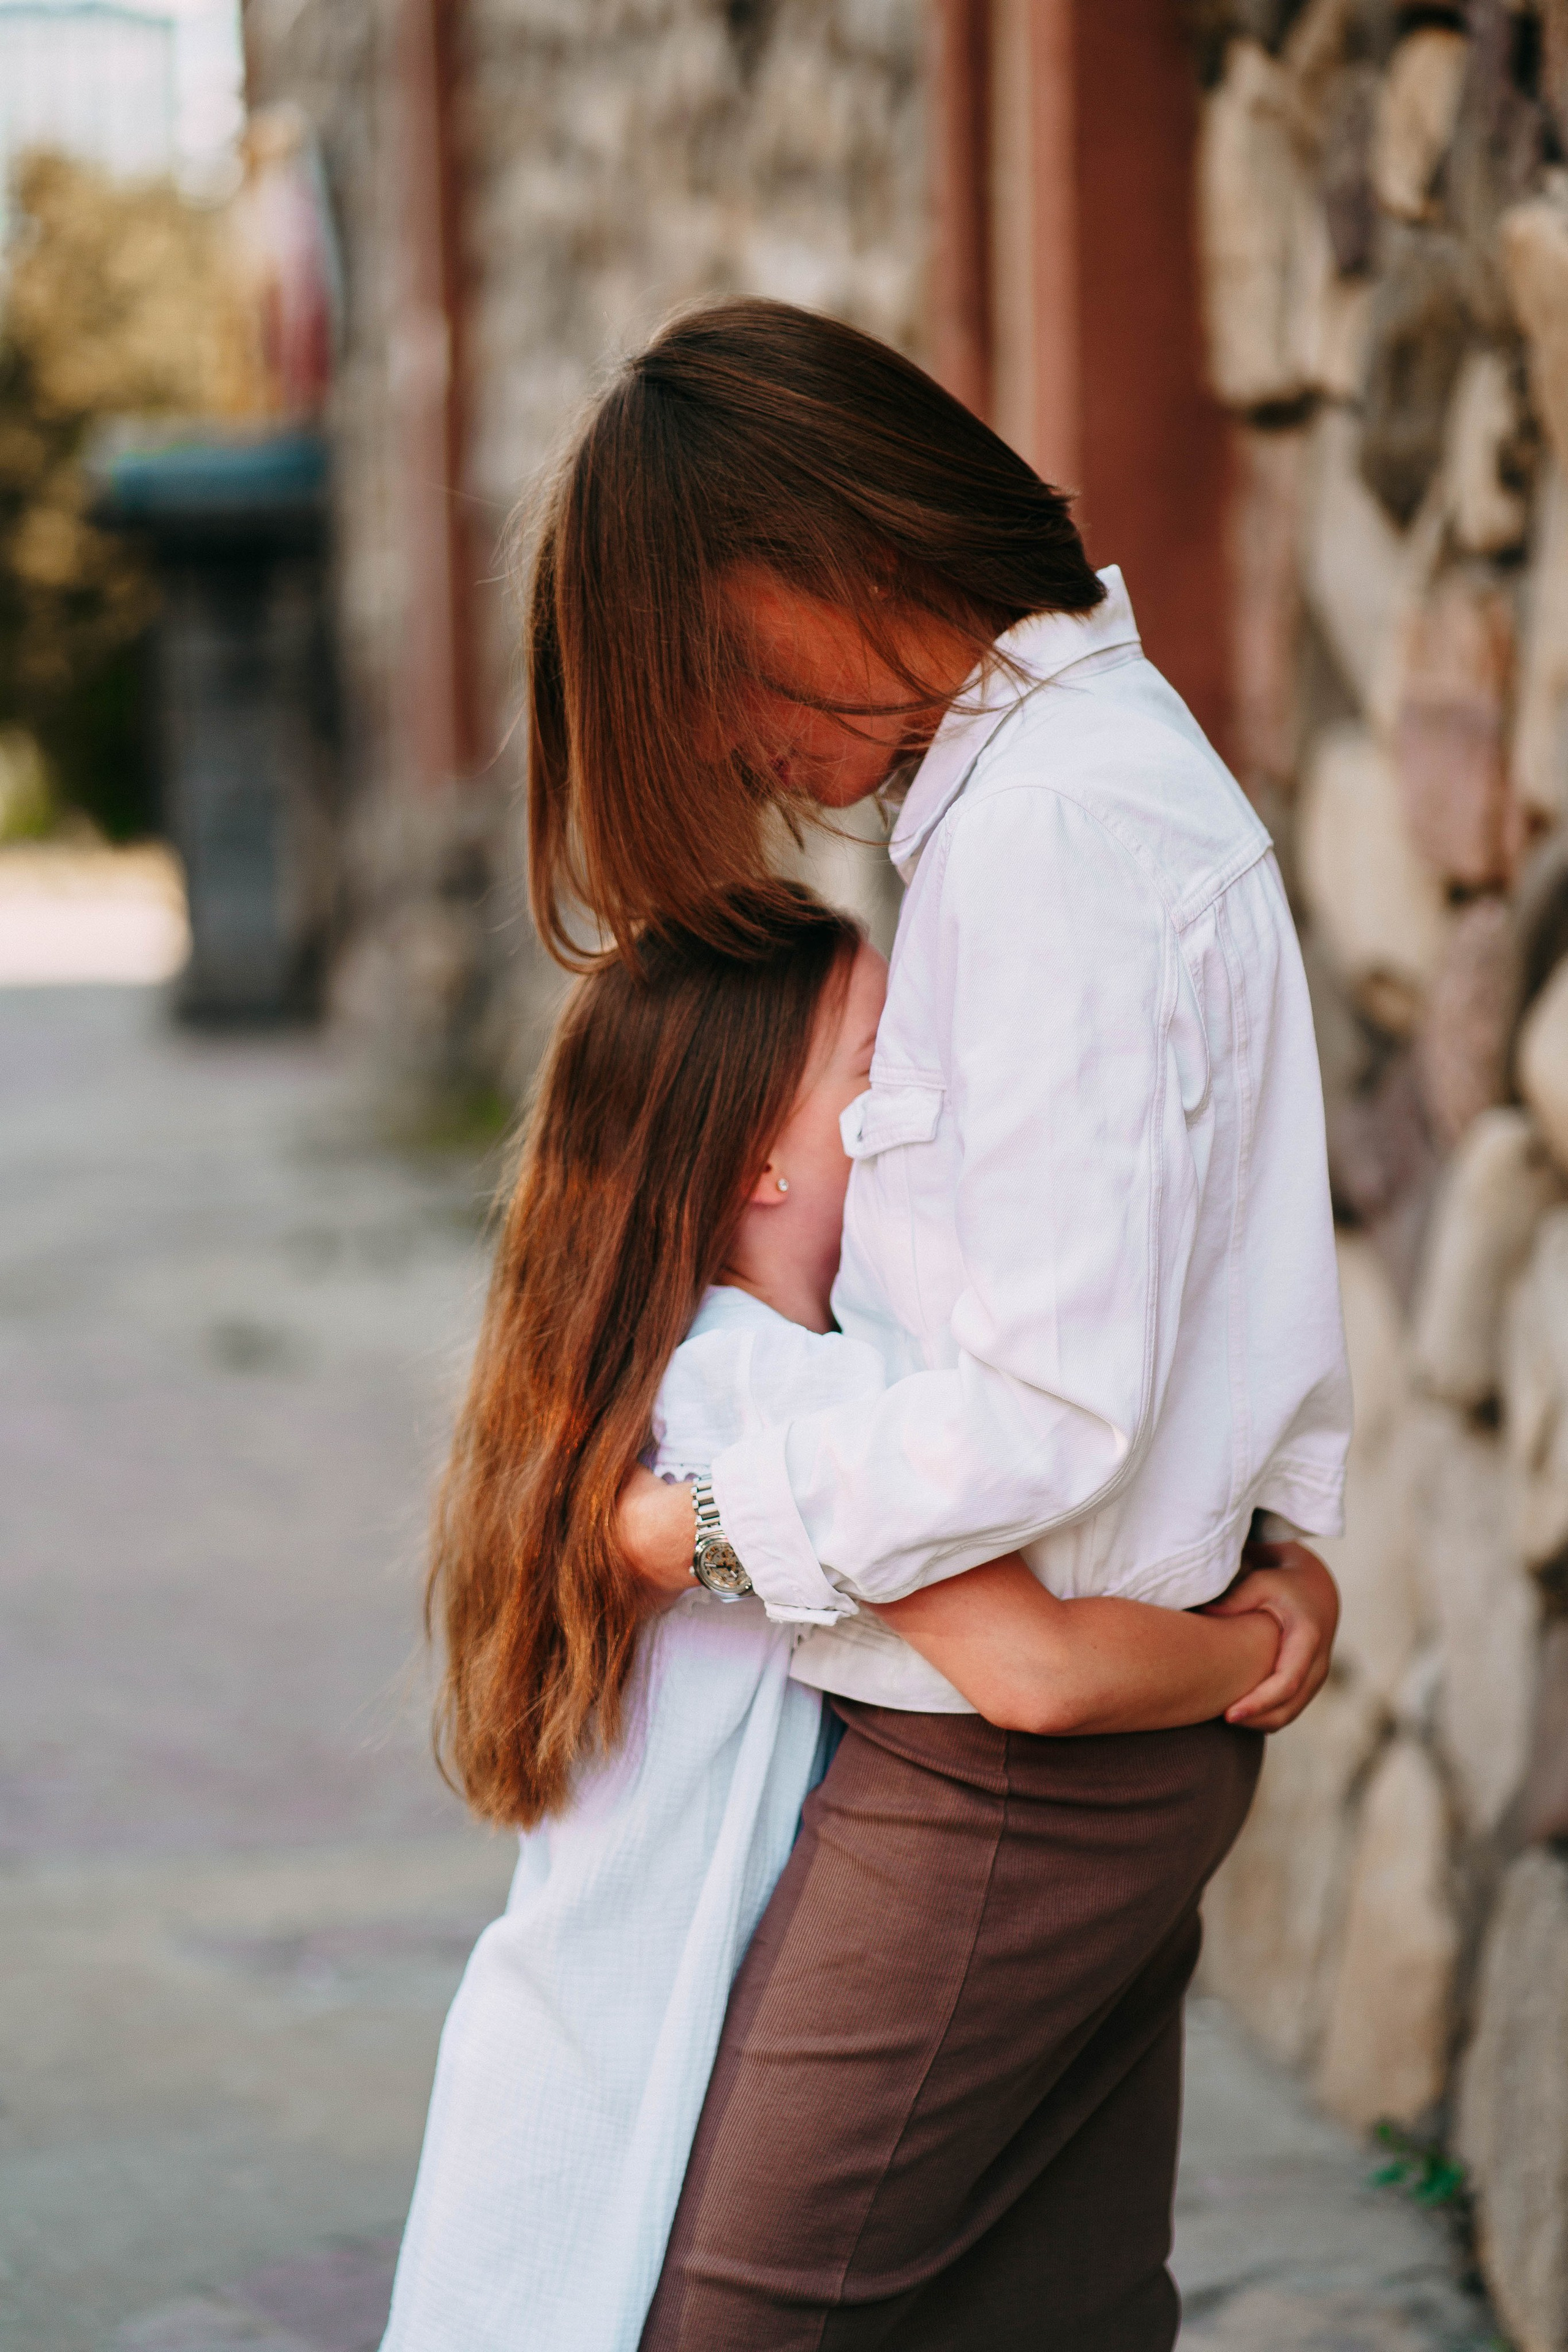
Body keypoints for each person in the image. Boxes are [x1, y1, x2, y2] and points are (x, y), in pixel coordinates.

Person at [522, 298, 1351, 2349]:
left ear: (810, 563)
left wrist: (694, 1520)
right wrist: (1279, 1549)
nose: (747, 759)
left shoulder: (1059, 821)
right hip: (1070, 1726)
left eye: (720, 686)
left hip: (1003, 1774)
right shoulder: (1071, 785)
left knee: (726, 2312)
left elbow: (1041, 1403)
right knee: (1045, 2318)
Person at [380, 888, 1315, 2352]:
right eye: (881, 1068)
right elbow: (1038, 1670)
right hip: (624, 2066)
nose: (918, 1106)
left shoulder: (718, 1363)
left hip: (555, 2041)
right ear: (760, 1154)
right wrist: (1265, 1643)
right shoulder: (775, 1396)